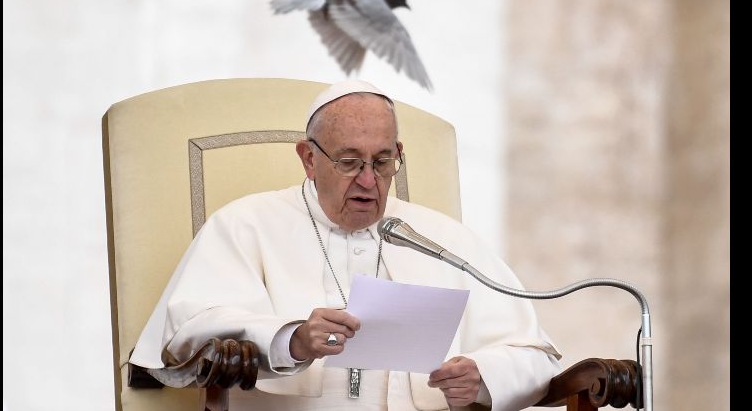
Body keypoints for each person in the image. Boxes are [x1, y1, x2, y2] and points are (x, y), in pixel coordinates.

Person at [131, 80, 561, 410]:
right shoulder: (245, 225)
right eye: (350, 162)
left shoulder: (443, 239)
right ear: (308, 158)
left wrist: (483, 376)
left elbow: (536, 355)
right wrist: (291, 339)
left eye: (382, 161)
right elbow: (189, 333)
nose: (369, 181)